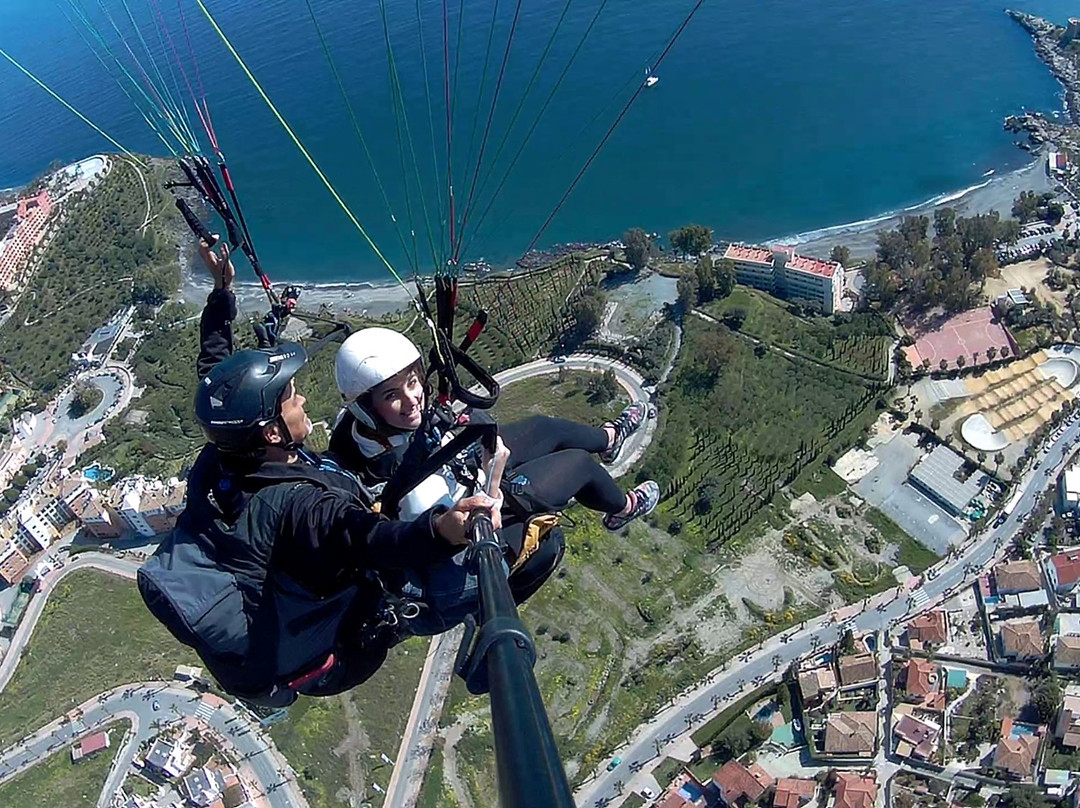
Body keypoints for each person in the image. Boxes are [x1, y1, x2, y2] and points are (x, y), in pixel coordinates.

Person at [138, 239, 516, 708]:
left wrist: (221, 292)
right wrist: (443, 530)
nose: (301, 401)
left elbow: (215, 379)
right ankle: (484, 662)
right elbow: (371, 540)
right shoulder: (302, 506)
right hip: (344, 652)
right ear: (273, 433)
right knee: (511, 558)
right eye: (290, 399)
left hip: (283, 597)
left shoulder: (221, 457)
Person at [328, 327, 661, 537]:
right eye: (392, 396)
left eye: (412, 383)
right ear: (368, 408)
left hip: (460, 463)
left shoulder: (358, 430)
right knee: (578, 465)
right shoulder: (411, 487)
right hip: (487, 502)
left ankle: (608, 440)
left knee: (546, 427)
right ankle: (623, 508)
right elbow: (461, 526)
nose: (412, 399)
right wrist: (494, 475)